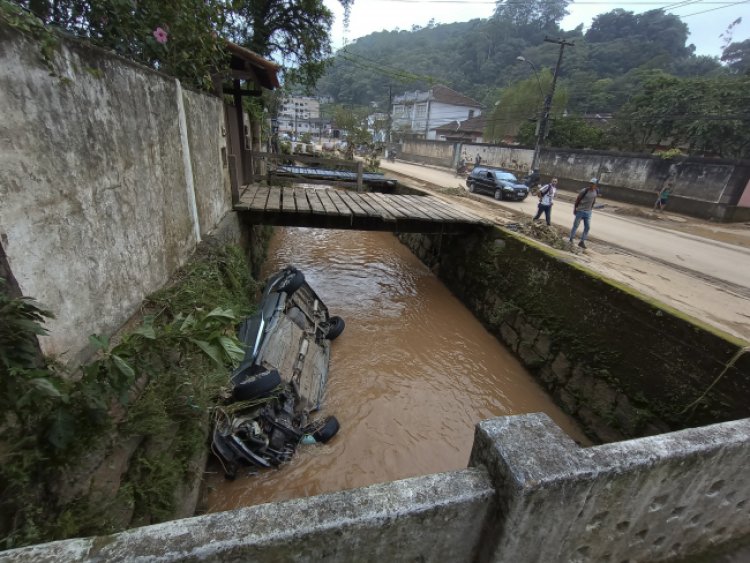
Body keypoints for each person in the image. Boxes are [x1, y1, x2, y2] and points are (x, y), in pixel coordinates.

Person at [569, 178, 599, 249]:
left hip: (588, 212)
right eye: (591, 183)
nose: (591, 185)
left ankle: (582, 242)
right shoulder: (584, 191)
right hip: (580, 211)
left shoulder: (596, 191)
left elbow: (594, 199)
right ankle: (571, 239)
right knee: (576, 225)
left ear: (596, 185)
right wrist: (575, 209)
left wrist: (591, 208)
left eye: (593, 184)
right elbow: (577, 200)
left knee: (587, 227)